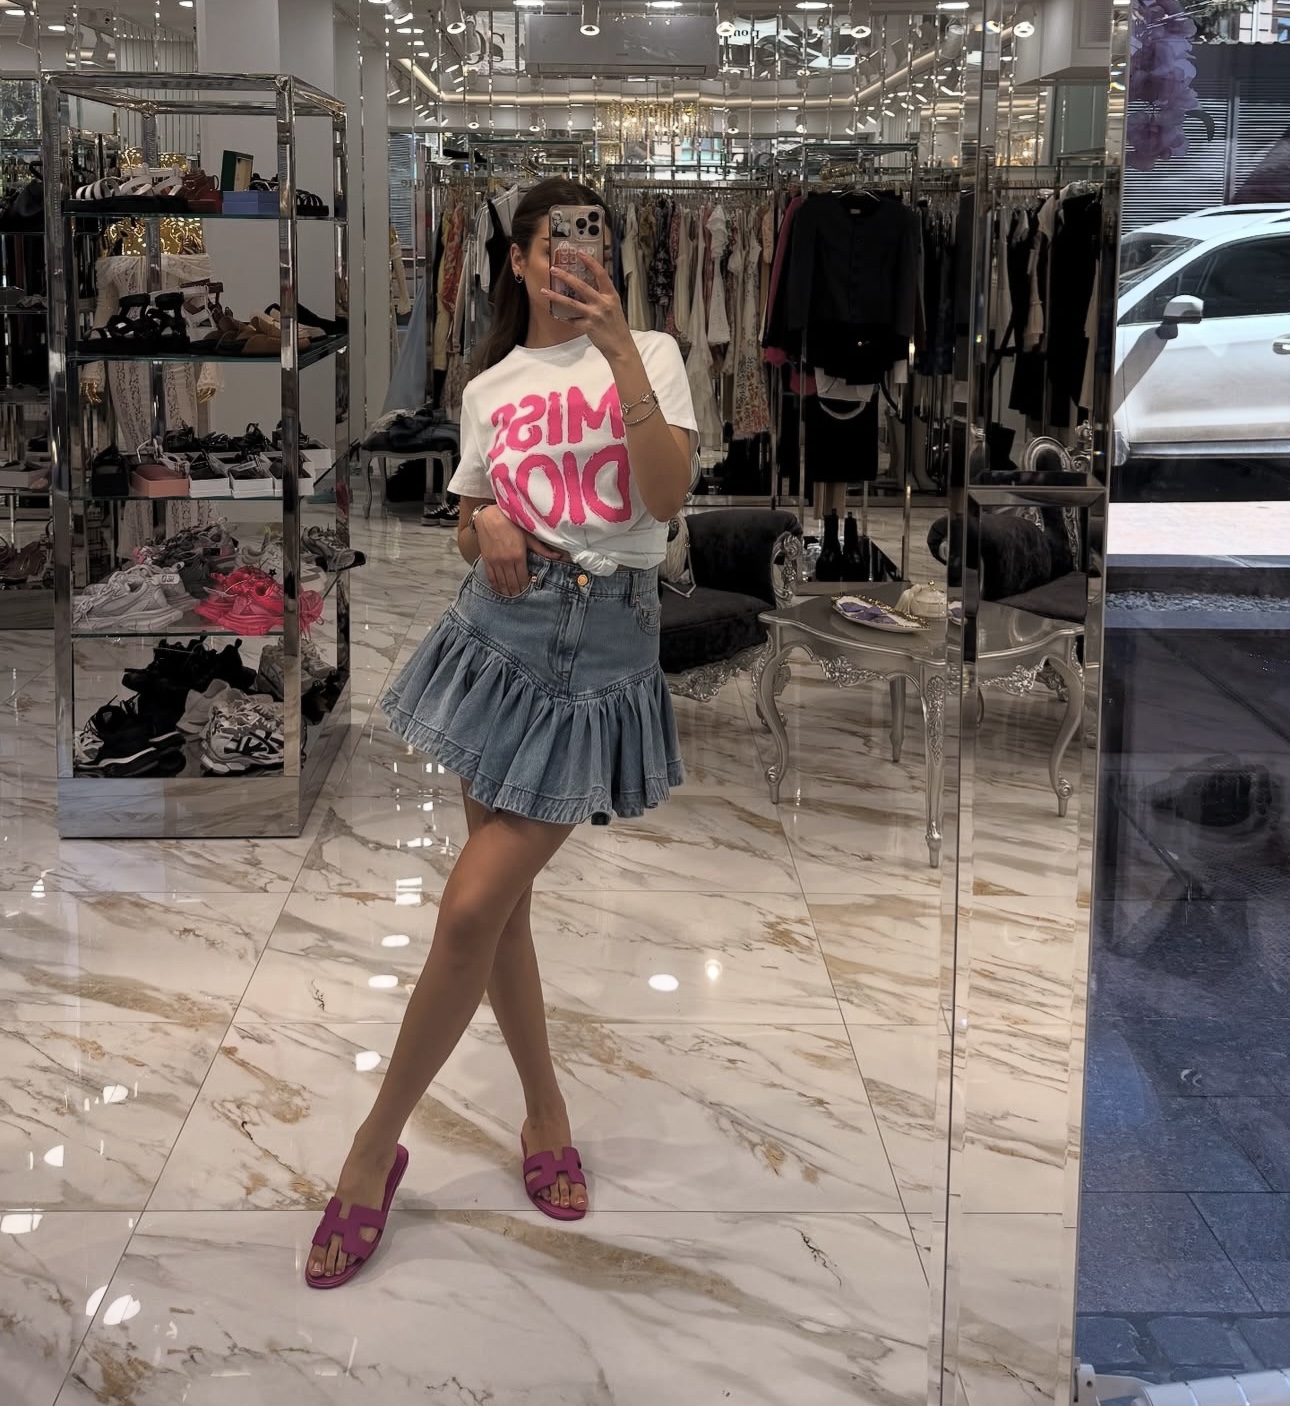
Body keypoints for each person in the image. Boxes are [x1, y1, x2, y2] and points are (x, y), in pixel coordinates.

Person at [306, 178, 699, 1287]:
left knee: (474, 904)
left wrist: (617, 350)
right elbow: (469, 522)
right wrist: (481, 520)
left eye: (594, 244)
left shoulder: (653, 354)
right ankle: (544, 1113)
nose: (577, 262)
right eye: (557, 247)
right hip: (499, 635)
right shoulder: (488, 386)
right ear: (520, 262)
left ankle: (373, 1148)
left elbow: (665, 499)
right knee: (502, 914)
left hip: (603, 645)